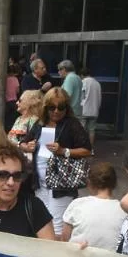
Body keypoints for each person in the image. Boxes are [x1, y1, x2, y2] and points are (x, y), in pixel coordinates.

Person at [22, 88, 93, 238]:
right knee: (42, 221)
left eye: (61, 107)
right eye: (51, 107)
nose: (56, 111)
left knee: (57, 225)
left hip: (61, 183)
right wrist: (28, 146)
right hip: (39, 182)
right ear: (45, 107)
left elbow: (87, 150)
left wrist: (64, 151)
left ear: (67, 108)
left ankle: (55, 256)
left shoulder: (71, 124)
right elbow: (23, 142)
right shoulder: (40, 124)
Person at [61, 161, 126, 250]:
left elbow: (64, 239)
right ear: (114, 184)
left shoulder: (78, 204)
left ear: (90, 183)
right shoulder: (124, 210)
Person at [79, 68, 102, 147]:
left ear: (82, 75)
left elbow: (81, 96)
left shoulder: (83, 82)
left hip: (84, 109)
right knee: (92, 130)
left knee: (81, 130)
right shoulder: (97, 83)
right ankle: (91, 148)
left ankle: (81, 147)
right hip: (94, 110)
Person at [4, 64, 21, 130]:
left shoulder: (4, 79)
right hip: (14, 101)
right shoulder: (15, 79)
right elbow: (17, 90)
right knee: (13, 118)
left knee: (6, 118)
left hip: (6, 101)